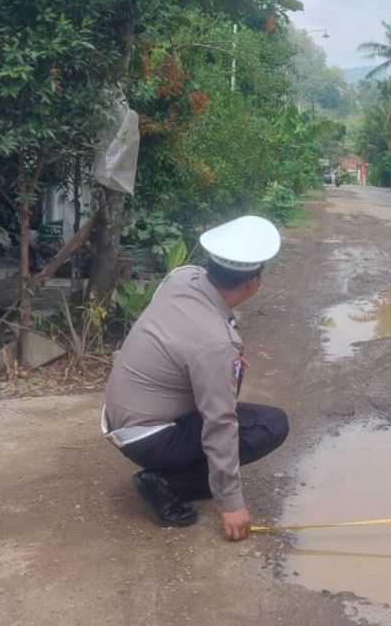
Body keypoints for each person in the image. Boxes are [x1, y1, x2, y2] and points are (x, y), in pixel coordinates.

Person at [102, 215, 289, 541]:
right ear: (253, 282)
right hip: (151, 437)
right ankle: (166, 484)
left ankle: (178, 473)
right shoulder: (215, 343)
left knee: (232, 415)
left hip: (122, 416)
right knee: (270, 425)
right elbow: (220, 422)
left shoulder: (183, 278)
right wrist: (230, 502)